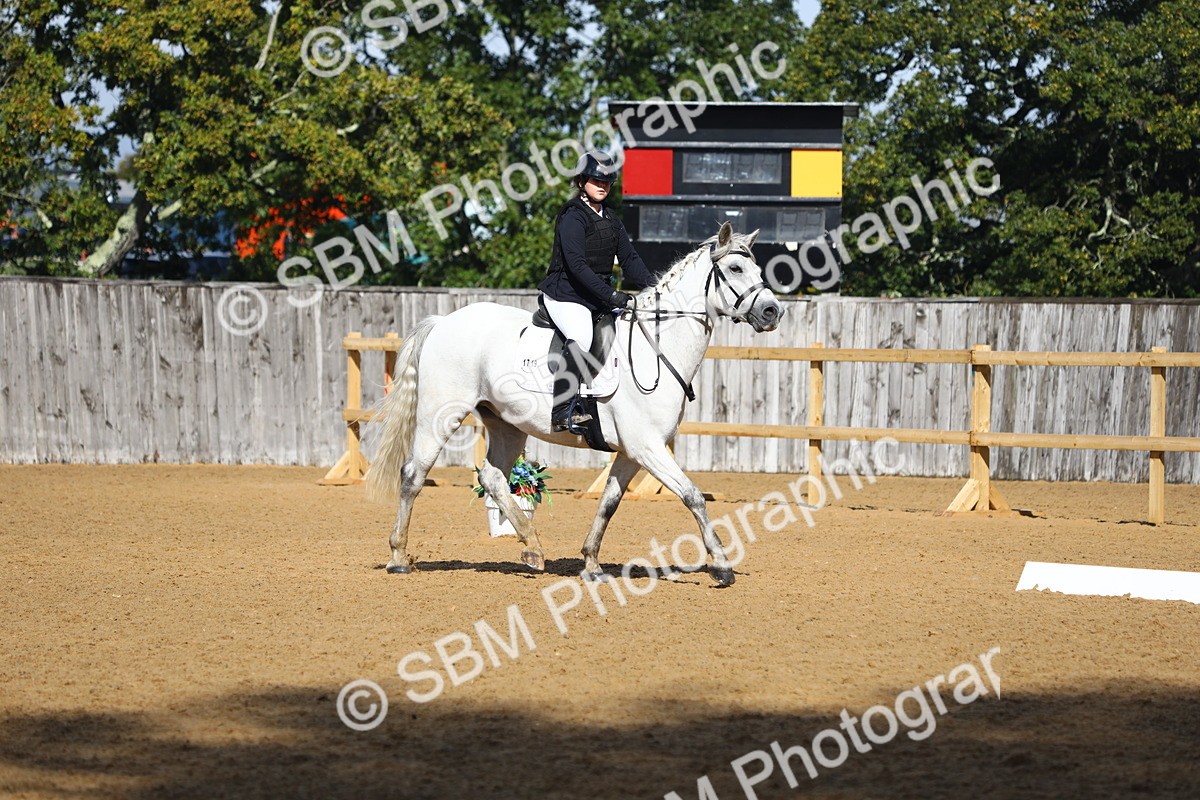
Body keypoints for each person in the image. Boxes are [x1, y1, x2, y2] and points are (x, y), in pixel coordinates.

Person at [538, 150, 657, 433]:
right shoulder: (572, 216)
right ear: (581, 182)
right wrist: (612, 295)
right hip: (565, 293)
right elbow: (577, 267)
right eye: (596, 180)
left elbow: (629, 259)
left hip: (594, 296)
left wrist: (655, 288)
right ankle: (562, 409)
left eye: (607, 182)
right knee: (581, 334)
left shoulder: (612, 218)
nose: (602, 186)